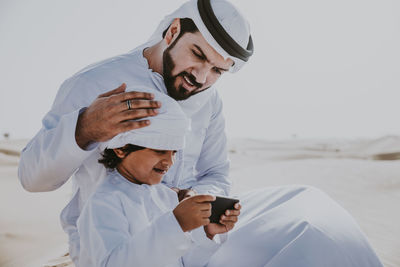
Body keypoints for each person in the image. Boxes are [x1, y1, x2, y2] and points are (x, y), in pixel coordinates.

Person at [18, 0, 383, 266]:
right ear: (173, 30)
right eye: (197, 55)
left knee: (308, 211)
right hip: (124, 242)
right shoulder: (93, 83)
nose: (202, 77)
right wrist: (85, 127)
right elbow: (33, 180)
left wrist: (202, 203)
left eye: (218, 70)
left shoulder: (209, 101)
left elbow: (216, 174)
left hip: (195, 236)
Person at [78, 89, 239, 267]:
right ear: (121, 148)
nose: (169, 161)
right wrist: (177, 224)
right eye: (160, 150)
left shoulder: (166, 196)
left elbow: (182, 262)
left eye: (174, 152)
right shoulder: (103, 203)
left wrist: (207, 234)